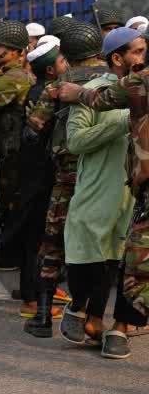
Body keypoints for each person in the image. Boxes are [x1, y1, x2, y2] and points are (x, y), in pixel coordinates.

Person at [54, 27, 146, 356]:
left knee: (133, 264)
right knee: (91, 259)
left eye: (144, 50)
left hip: (138, 192)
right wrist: (123, 121)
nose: (143, 57)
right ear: (117, 58)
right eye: (136, 51)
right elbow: (76, 141)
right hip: (99, 189)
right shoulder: (92, 91)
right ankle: (82, 309)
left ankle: (119, 327)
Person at [23, 22, 108, 337]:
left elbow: (35, 125)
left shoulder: (58, 84)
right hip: (105, 174)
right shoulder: (115, 80)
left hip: (67, 175)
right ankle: (95, 316)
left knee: (53, 241)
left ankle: (44, 317)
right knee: (104, 243)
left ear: (67, 54)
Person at [8, 40, 67, 320]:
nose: (65, 65)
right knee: (38, 238)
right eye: (61, 62)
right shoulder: (47, 93)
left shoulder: (38, 89)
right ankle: (32, 300)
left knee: (38, 237)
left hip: (35, 173)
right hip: (40, 175)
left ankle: (40, 291)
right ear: (52, 71)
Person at [0, 20, 35, 271]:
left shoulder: (11, 80)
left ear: (14, 51)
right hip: (12, 149)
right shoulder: (11, 76)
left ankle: (11, 255)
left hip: (12, 151)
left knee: (9, 202)